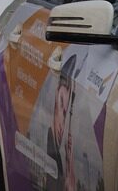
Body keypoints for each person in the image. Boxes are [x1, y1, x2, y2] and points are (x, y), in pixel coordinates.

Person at [46, 54, 77, 191]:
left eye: (65, 112)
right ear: (56, 93)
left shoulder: (59, 152)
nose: (62, 123)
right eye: (60, 103)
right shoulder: (47, 145)